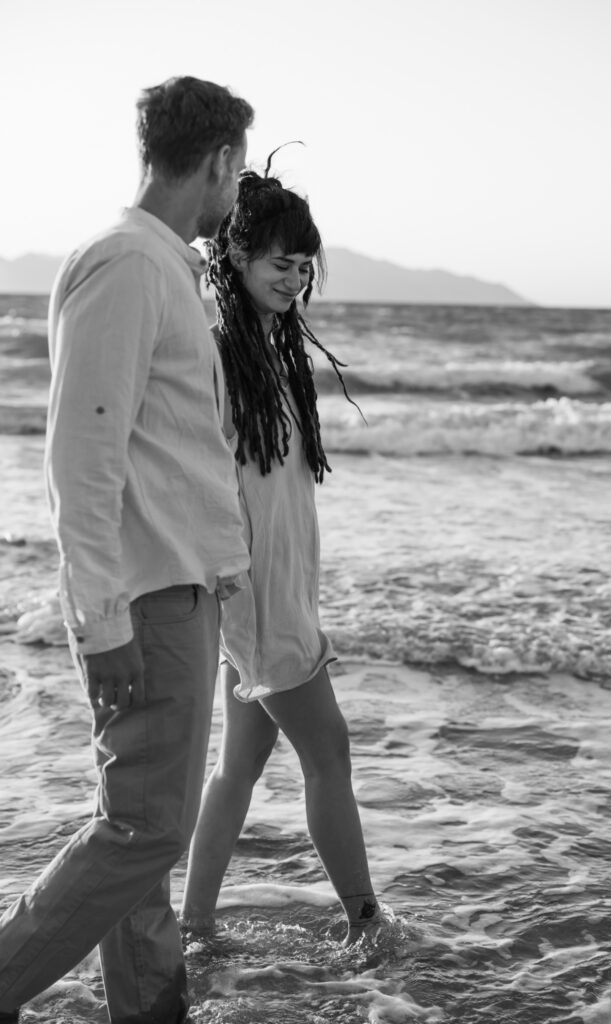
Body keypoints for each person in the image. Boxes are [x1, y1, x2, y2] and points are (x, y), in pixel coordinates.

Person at [0, 76, 254, 1024]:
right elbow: (83, 456)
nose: (239, 189)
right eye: (238, 169)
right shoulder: (130, 265)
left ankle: (151, 1009)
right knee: (147, 830)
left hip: (164, 590)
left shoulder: (158, 265)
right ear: (220, 160)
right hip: (145, 600)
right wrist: (101, 619)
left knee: (142, 835)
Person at [180, 162, 379, 947]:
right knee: (328, 752)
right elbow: (203, 481)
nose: (293, 278)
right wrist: (230, 584)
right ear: (235, 259)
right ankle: (365, 920)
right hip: (253, 591)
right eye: (278, 262)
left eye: (303, 266)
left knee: (242, 764)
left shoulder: (275, 352)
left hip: (279, 588)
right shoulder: (223, 353)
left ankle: (194, 922)